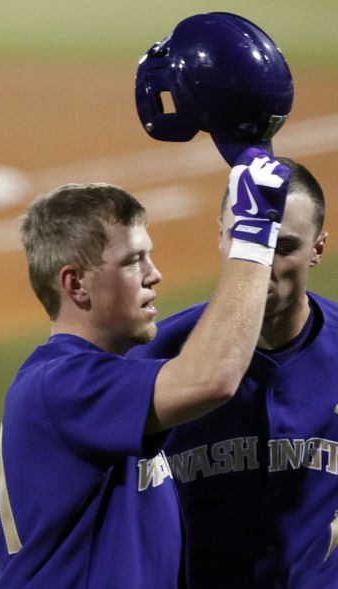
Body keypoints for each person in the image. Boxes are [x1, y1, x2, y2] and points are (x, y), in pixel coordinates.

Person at [0, 149, 290, 589]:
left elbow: (214, 339)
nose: (156, 274)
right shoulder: (63, 386)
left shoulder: (107, 377)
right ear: (75, 284)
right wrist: (252, 238)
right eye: (132, 261)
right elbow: (212, 377)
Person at [131, 156, 336, 589]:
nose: (262, 266)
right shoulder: (154, 361)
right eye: (248, 240)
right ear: (221, 238)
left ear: (318, 249)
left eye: (283, 248)